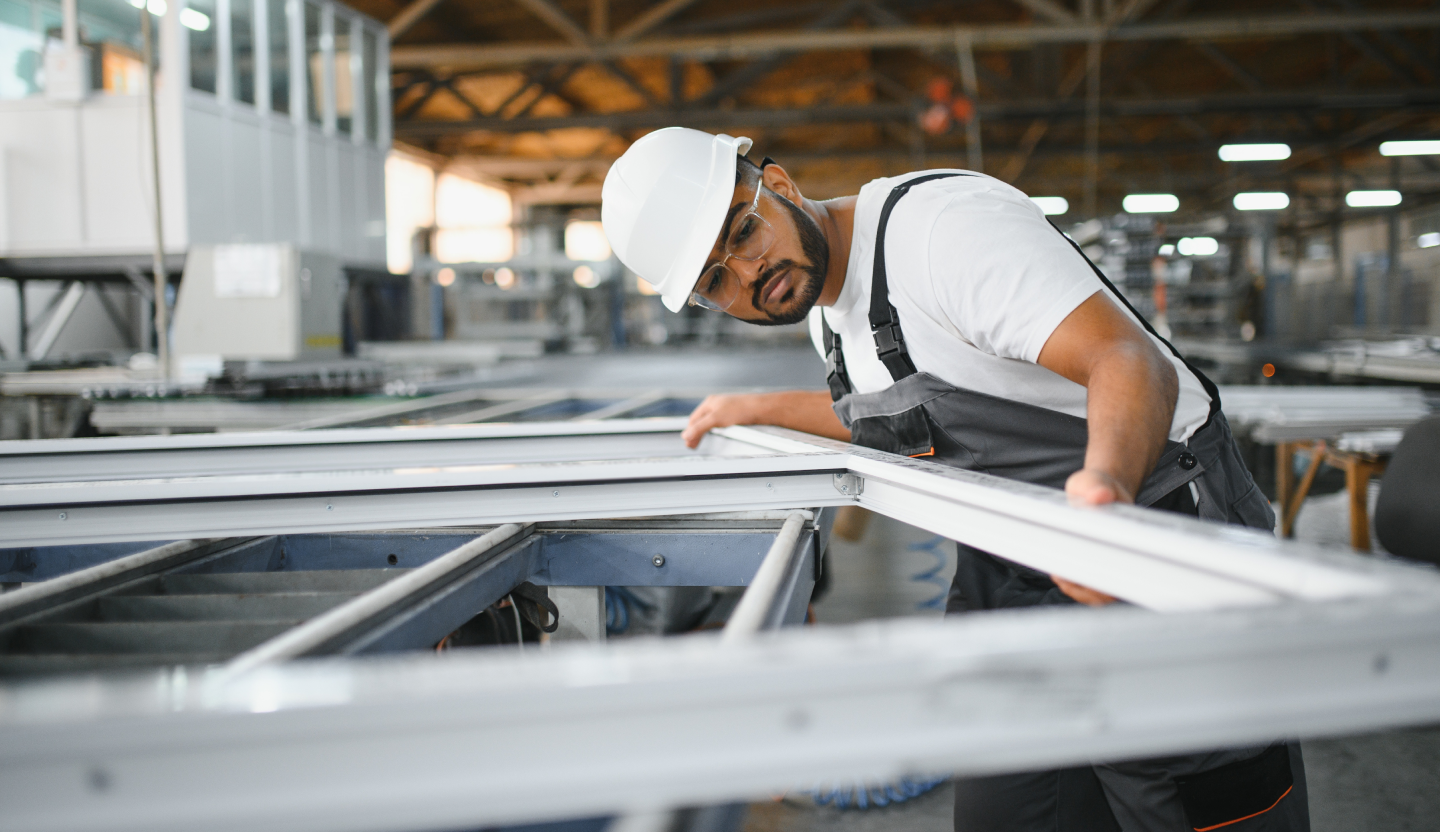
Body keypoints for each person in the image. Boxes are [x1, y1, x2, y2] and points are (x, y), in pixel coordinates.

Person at [601, 127, 1307, 832]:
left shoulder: (942, 235)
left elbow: (1125, 358)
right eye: (715, 282)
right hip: (1016, 561)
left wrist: (1106, 493)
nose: (746, 274)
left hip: (1153, 524)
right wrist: (753, 410)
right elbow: (897, 417)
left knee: (1192, 803)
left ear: (778, 184)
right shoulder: (828, 316)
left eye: (744, 232)